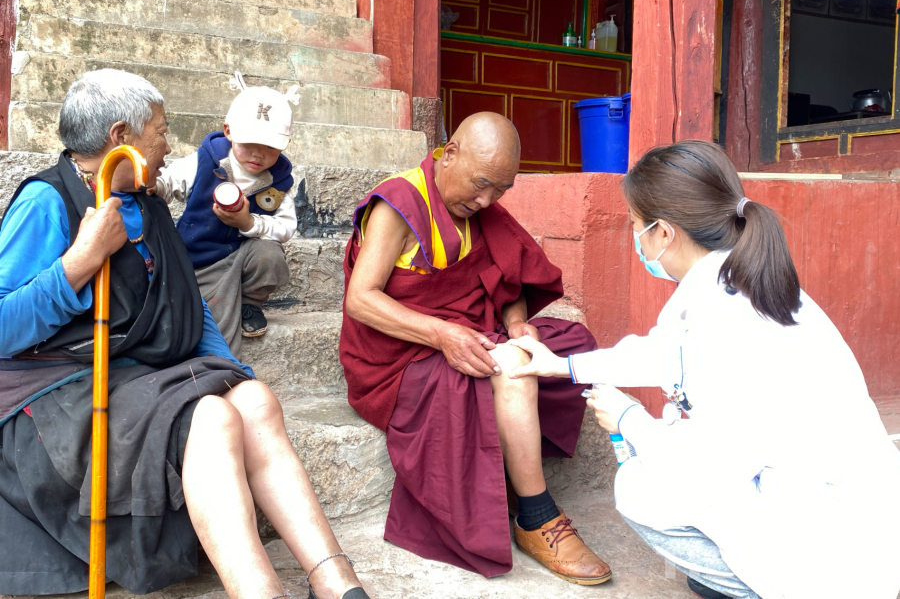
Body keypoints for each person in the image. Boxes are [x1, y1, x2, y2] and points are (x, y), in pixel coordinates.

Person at [0, 69, 370, 599]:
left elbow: (186, 304)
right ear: (121, 137)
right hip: (59, 392)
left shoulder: (147, 202)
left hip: (136, 376)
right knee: (212, 416)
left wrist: (232, 375)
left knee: (255, 400)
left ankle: (335, 579)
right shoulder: (47, 201)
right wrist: (80, 261)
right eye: (161, 131)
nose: (169, 145)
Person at [509, 140, 900, 599]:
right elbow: (663, 353)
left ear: (663, 233)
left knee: (639, 487)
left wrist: (629, 420)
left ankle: (757, 585)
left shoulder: (724, 317)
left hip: (832, 539)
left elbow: (712, 464)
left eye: (635, 225)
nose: (636, 239)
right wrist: (563, 365)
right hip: (859, 499)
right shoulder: (738, 281)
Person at [340, 112, 612, 584]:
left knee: (564, 346)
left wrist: (517, 322)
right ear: (450, 154)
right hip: (398, 353)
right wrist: (441, 335)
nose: (486, 200)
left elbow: (507, 281)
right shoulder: (399, 204)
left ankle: (518, 475)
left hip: (469, 329)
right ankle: (537, 516)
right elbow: (361, 300)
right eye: (481, 184)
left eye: (500, 190)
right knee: (512, 367)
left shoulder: (476, 207)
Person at [154, 72, 298, 354]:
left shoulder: (279, 180)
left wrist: (250, 222)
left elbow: (285, 228)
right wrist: (154, 186)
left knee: (270, 256)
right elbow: (170, 181)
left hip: (241, 259)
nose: (258, 154)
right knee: (204, 322)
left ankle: (250, 302)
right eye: (249, 143)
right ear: (229, 131)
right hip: (195, 260)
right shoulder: (206, 160)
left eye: (270, 147)